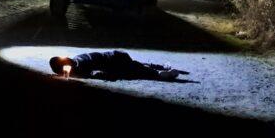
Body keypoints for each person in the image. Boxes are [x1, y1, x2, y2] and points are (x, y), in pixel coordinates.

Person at [49, 51, 182, 81]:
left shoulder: (80, 67)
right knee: (136, 66)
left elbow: (96, 73)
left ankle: (159, 72)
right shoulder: (78, 58)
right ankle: (161, 68)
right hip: (116, 55)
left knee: (137, 70)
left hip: (115, 62)